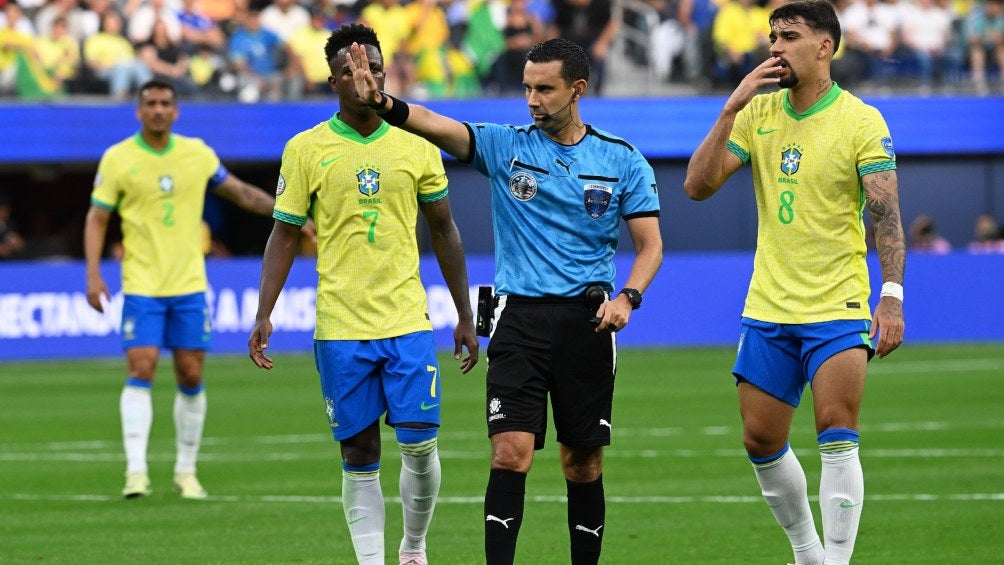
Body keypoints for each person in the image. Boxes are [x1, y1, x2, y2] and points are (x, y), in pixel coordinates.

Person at [346, 36, 663, 564]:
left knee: (581, 462)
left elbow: (650, 246)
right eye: (527, 89)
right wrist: (382, 103)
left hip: (589, 321)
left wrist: (628, 297)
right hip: (516, 317)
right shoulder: (505, 146)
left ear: (577, 90)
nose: (533, 100)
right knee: (509, 453)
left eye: (545, 89)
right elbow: (435, 124)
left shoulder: (621, 159)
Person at [247, 23, 479, 565]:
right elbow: (284, 232)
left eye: (375, 68)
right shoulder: (305, 149)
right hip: (340, 326)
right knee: (360, 452)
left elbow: (444, 230)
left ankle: (414, 548)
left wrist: (465, 313)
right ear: (334, 81)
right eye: (354, 70)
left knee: (420, 446)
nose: (367, 77)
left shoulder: (416, 142)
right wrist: (264, 311)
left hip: (406, 320)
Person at [683, 2, 906, 564]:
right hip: (769, 304)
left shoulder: (861, 121)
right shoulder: (757, 117)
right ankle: (807, 555)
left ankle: (835, 561)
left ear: (825, 46)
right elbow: (696, 186)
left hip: (838, 301)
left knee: (836, 428)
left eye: (789, 36)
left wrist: (893, 296)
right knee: (760, 439)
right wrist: (731, 106)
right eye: (772, 37)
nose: (775, 47)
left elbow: (887, 217)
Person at [84, 79, 278, 500]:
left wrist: (289, 215)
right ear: (139, 110)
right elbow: (98, 217)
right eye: (150, 103)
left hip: (190, 284)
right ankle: (136, 472)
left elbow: (241, 193)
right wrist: (94, 274)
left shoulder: (197, 154)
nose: (157, 109)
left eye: (165, 103)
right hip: (142, 284)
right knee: (141, 369)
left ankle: (186, 472)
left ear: (176, 111)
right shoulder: (118, 158)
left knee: (191, 373)